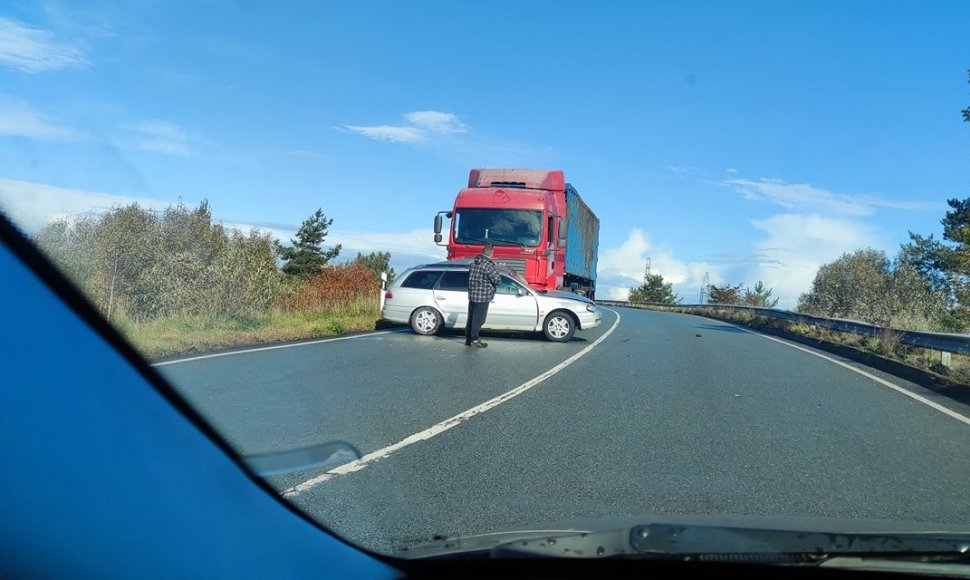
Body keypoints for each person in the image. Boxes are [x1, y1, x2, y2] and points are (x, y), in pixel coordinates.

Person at [466, 244, 500, 348]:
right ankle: (475, 340)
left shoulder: (473, 263)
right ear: (491, 253)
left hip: (472, 295)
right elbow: (497, 280)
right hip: (483, 296)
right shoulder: (487, 265)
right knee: (479, 320)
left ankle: (468, 339)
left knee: (471, 318)